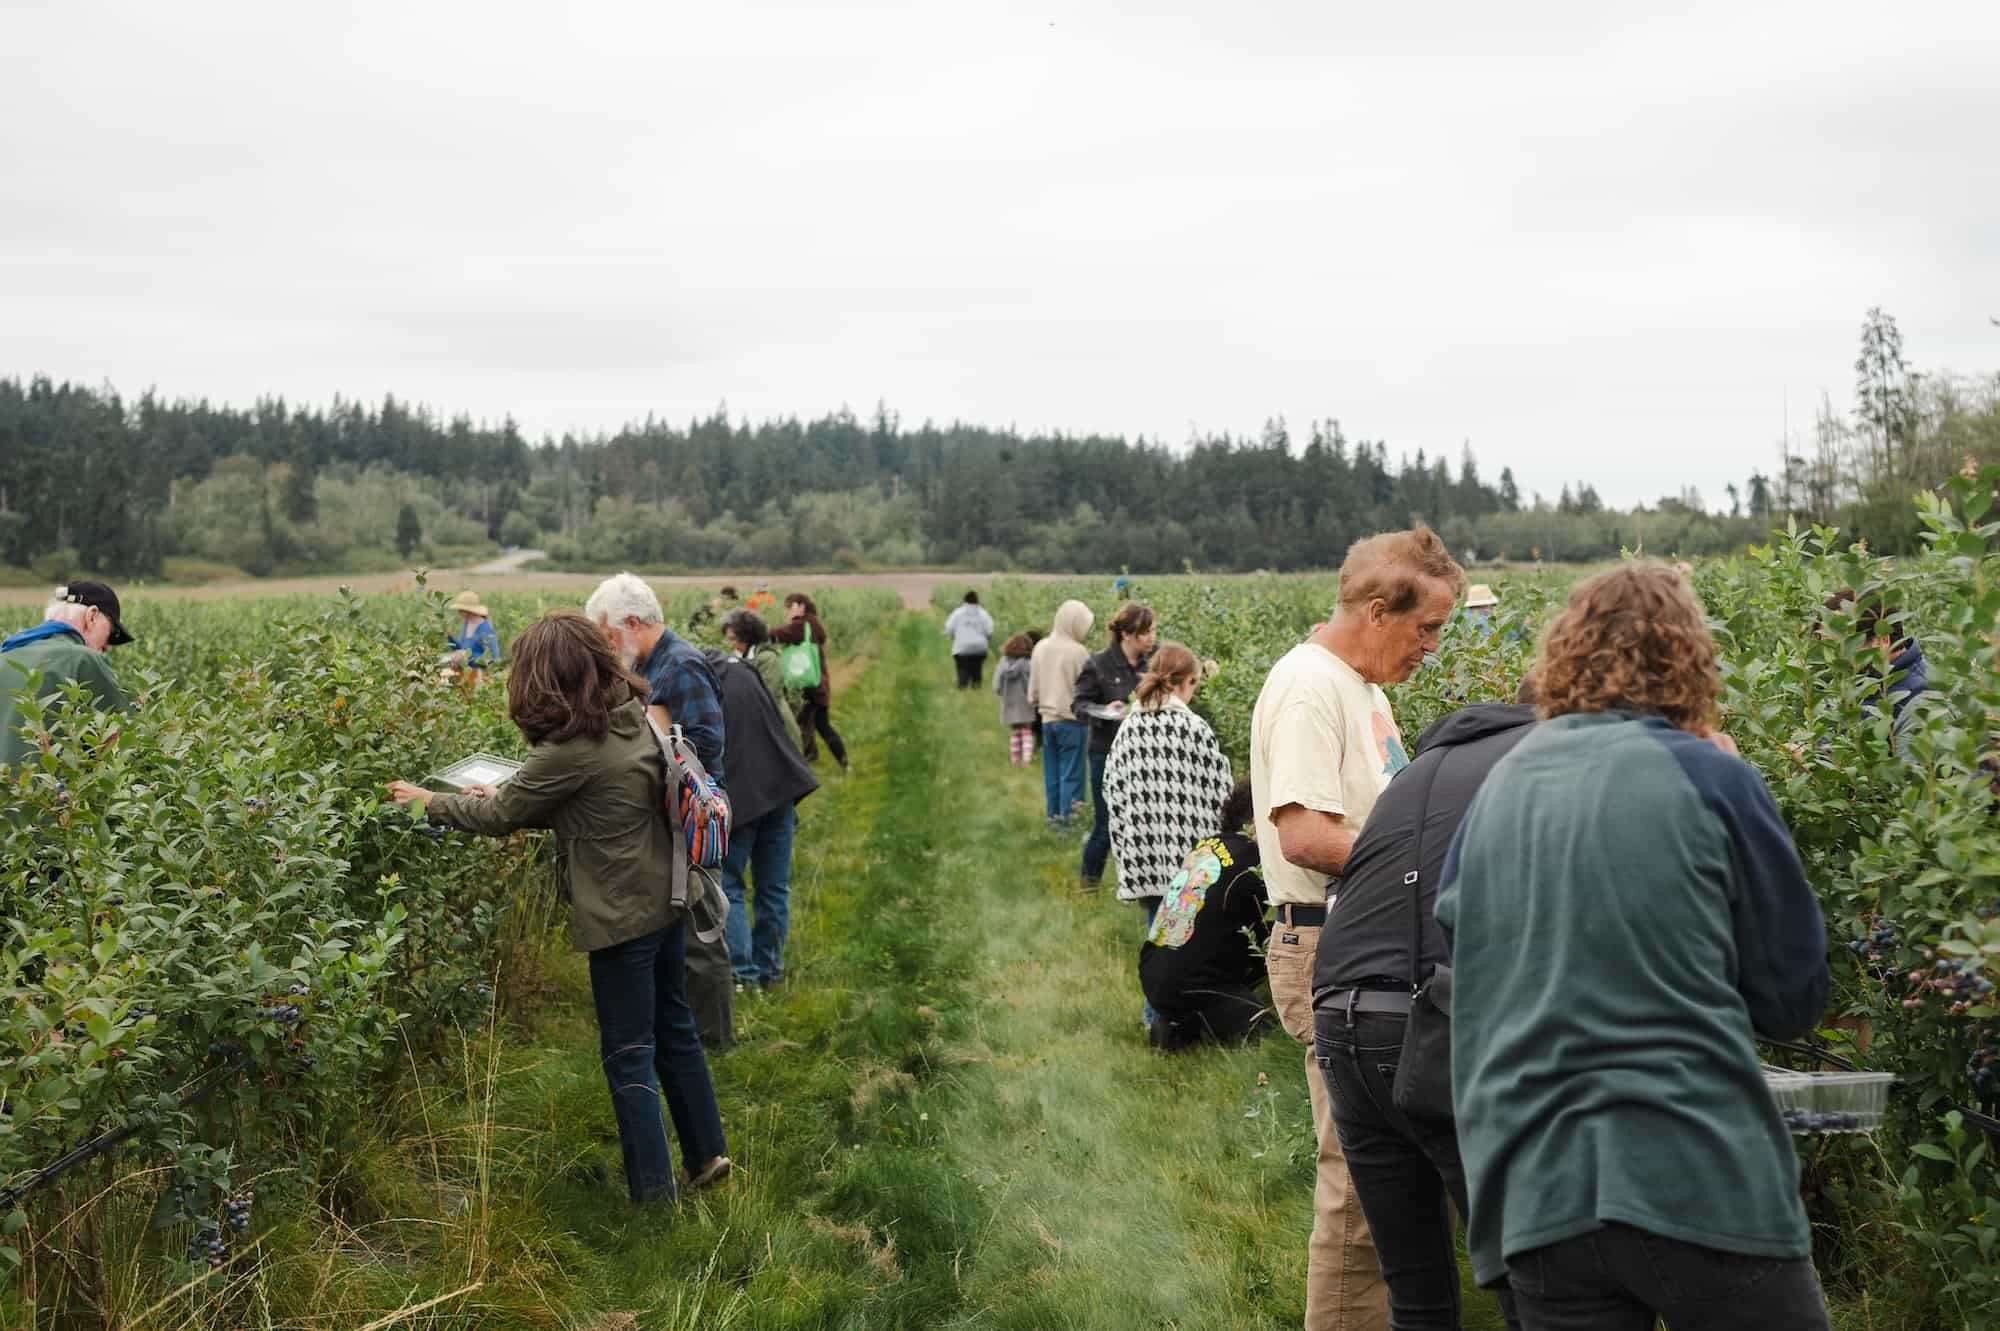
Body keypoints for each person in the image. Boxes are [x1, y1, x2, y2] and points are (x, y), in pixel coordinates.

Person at [1437, 564, 1832, 1330]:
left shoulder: (1501, 788)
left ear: (1564, 656)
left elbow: (1464, 949)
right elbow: (1792, 997)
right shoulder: (1713, 777)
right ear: (1689, 660)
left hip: (1537, 1184)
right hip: (1695, 1170)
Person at [386, 611, 731, 1205]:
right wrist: (513, 792)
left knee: (628, 1054)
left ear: (548, 679)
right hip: (667, 897)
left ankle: (653, 1199)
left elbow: (500, 818)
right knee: (674, 1030)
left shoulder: (574, 748)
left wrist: (428, 803)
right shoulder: (631, 718)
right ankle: (707, 1155)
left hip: (622, 915)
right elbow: (590, 800)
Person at [1250, 524, 1462, 1331]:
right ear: (1379, 611)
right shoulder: (1311, 687)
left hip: (1371, 943)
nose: (1433, 646)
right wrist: (1423, 873)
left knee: (1401, 1172)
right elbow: (1304, 831)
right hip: (1330, 943)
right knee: (1361, 1183)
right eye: (1427, 627)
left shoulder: (1360, 686)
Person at [1311, 690, 1538, 1331]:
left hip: (1341, 1014)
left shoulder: (1420, 768)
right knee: (1534, 1284)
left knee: (1416, 1291)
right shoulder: (1543, 760)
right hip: (1433, 1019)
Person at [585, 572, 734, 1050]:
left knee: (700, 933)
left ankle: (712, 1041)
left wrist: (659, 740)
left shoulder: (680, 665)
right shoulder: (657, 665)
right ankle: (689, 1032)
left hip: (693, 820)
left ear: (631, 622)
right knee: (681, 931)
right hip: (670, 819)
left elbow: (707, 744)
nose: (609, 649)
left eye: (608, 636)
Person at [1102, 642, 1231, 1014]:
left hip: (1144, 854)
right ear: (1185, 681)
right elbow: (1220, 789)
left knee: (1156, 937)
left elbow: (1112, 788)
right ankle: (1172, 1019)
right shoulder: (1193, 728)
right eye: (1195, 684)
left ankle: (1157, 1015)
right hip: (1188, 857)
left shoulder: (1129, 727)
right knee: (1189, 941)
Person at [709, 610, 819, 990]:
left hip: (744, 797)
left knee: (732, 885)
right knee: (774, 887)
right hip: (780, 789)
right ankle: (770, 969)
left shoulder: (710, 689)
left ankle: (743, 974)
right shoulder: (747, 674)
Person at [1139, 780, 1269, 1051]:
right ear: (1257, 820)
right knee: (1262, 1024)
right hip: (1190, 982)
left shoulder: (1209, 845)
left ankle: (1176, 1021)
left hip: (1153, 970)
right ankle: (1184, 1030)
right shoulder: (1253, 860)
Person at [1, 580, 134, 770]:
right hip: (46, 797)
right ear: (92, 616)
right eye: (111, 633)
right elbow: (121, 739)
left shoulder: (5, 655)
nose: (107, 646)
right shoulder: (83, 659)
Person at [1074, 603, 1157, 890]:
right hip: (1105, 752)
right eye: (1145, 632)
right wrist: (1105, 709)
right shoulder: (1098, 664)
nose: (1151, 638)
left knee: (1143, 823)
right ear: (1126, 634)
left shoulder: (1153, 665)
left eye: (1152, 631)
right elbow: (1079, 706)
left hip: (1144, 754)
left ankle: (1139, 886)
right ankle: (1088, 884)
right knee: (1106, 823)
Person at [1029, 600, 1094, 831]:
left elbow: (1033, 689)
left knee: (1053, 773)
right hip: (1072, 721)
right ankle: (1071, 824)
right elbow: (1088, 688)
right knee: (1072, 775)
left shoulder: (1041, 647)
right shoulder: (1078, 652)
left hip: (1047, 719)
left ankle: (1053, 819)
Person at [771, 594, 849, 771]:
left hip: (807, 687)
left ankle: (802, 768)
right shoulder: (814, 624)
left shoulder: (801, 626)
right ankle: (841, 762)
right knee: (821, 725)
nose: (787, 612)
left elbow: (774, 635)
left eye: (789, 607)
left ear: (799, 606)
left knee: (802, 727)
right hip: (819, 685)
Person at [722, 609, 803, 754]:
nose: (730, 644)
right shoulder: (743, 657)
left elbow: (766, 697)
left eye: (733, 639)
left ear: (747, 637)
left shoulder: (767, 659)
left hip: (778, 728)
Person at [993, 632, 1037, 765]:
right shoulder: (1028, 664)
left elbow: (996, 684)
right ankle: (1026, 759)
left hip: (1009, 701)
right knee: (1027, 730)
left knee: (1015, 731)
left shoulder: (1003, 663)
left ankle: (1015, 758)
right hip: (1025, 702)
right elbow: (1032, 683)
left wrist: (1001, 693)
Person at [444, 590, 501, 685]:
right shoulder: (467, 624)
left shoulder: (485, 629)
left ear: (467, 611)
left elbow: (492, 658)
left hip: (479, 678)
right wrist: (450, 637)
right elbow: (462, 648)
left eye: (461, 610)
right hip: (465, 675)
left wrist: (467, 657)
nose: (459, 613)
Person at [944, 591, 996, 689]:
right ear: (977, 601)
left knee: (962, 670)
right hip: (980, 648)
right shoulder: (983, 614)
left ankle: (963, 688)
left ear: (964, 600)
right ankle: (976, 689)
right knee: (977, 671)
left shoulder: (958, 613)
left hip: (961, 648)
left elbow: (949, 628)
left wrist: (954, 638)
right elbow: (990, 631)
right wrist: (986, 642)